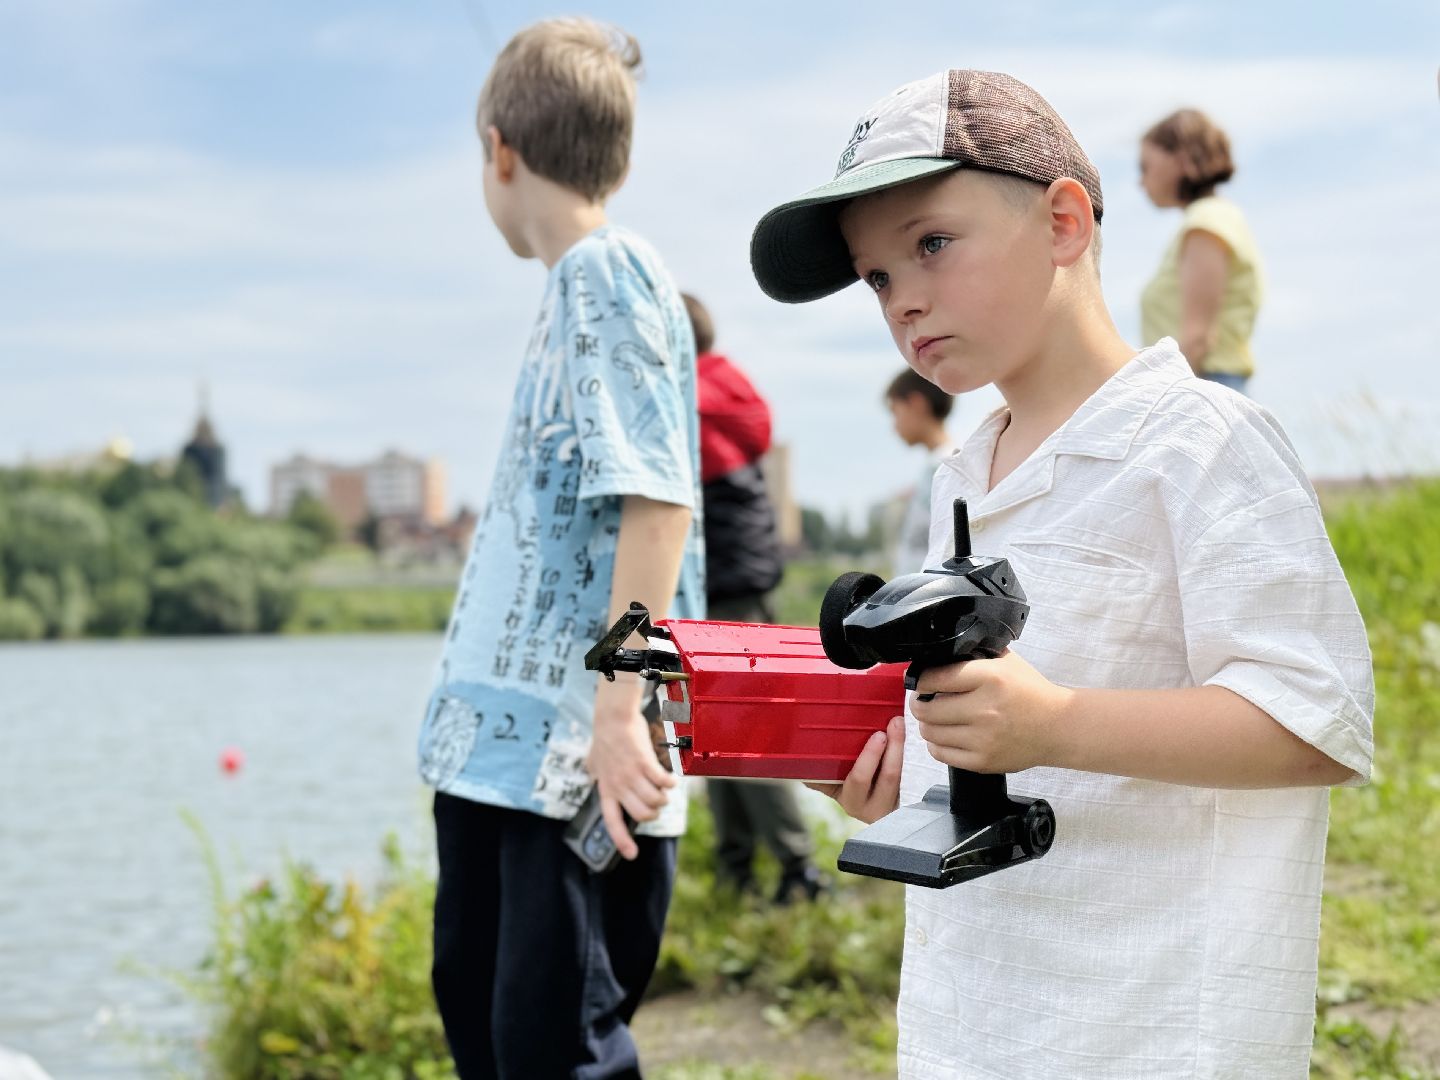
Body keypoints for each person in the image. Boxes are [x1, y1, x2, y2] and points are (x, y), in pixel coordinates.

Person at [749, 69, 1372, 1079]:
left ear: (1065, 222)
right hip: (976, 1022)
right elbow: (997, 744)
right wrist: (900, 779)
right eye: (875, 278)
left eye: (931, 244)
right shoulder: (962, 473)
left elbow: (1315, 721)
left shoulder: (1201, 442)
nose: (902, 297)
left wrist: (1057, 723)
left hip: (1152, 1031)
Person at [417, 19, 704, 1078]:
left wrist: (620, 712)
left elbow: (658, 501)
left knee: (553, 1050)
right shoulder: (571, 290)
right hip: (503, 761)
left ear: (500, 150)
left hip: (571, 757)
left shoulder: (608, 274)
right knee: (485, 1025)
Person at [682, 292, 827, 904]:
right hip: (737, 586)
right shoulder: (725, 387)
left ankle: (796, 871)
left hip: (724, 592)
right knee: (714, 732)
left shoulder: (687, 397)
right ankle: (738, 868)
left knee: (740, 733)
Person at [1139, 108, 1265, 393]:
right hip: (1207, 385)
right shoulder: (1213, 219)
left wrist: (1161, 400)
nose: (1141, 182)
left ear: (1182, 160)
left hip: (1203, 385)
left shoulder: (1207, 222)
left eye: (1146, 168)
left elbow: (1197, 338)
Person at [885, 369, 955, 574]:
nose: (894, 425)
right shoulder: (937, 466)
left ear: (916, 403)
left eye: (894, 412)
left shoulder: (945, 467)